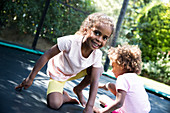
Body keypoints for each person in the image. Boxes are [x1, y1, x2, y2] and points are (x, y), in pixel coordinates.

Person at [15, 12, 114, 113]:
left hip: (75, 72)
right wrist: (30, 78)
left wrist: (89, 106)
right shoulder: (70, 41)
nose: (99, 39)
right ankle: (65, 98)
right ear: (86, 30)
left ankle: (78, 89)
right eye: (97, 33)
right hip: (59, 72)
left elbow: (95, 81)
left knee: (98, 69)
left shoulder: (97, 54)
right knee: (54, 104)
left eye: (104, 37)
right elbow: (46, 55)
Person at [93, 44, 151, 113]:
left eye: (113, 66)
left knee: (102, 98)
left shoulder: (122, 78)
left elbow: (119, 103)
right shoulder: (135, 77)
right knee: (110, 89)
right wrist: (104, 86)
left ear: (122, 66)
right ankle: (102, 85)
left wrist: (101, 111)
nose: (112, 70)